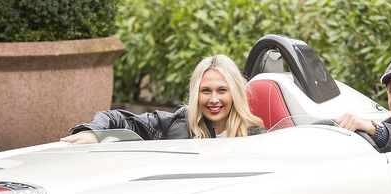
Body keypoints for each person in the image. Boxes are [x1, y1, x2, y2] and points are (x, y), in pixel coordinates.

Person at [61, 54, 263, 144]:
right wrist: (95, 134)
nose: (214, 99)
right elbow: (117, 118)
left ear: (234, 93)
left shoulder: (257, 136)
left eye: (222, 90)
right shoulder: (176, 123)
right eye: (206, 91)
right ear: (196, 94)